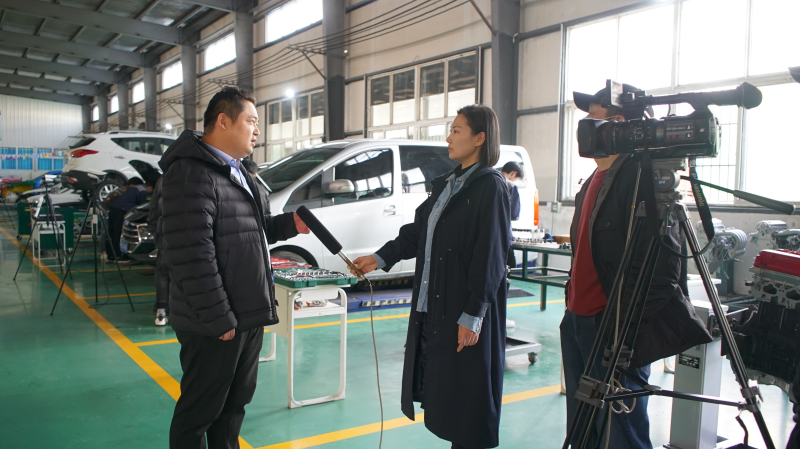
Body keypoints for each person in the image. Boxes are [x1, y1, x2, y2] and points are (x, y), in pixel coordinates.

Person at [561, 84, 713, 448]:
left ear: (617, 124)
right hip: (578, 320)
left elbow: (662, 274)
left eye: (592, 116)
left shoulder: (642, 181)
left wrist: (623, 331)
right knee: (583, 428)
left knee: (622, 432)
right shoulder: (591, 182)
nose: (584, 125)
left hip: (612, 328)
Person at [352, 104, 510, 449]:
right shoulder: (447, 185)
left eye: (456, 131)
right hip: (438, 307)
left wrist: (474, 314)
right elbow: (417, 232)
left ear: (480, 138)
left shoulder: (491, 187)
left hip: (464, 308)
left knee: (469, 400)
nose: (449, 138)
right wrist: (379, 258)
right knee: (448, 395)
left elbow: (491, 256)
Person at [159, 86, 310, 449]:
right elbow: (191, 254)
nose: (257, 131)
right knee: (200, 411)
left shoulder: (236, 171)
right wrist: (218, 316)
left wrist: (289, 224)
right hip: (214, 321)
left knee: (233, 407)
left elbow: (248, 229)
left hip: (245, 313)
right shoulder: (190, 174)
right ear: (223, 121)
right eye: (251, 121)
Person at [105, 177, 151, 263]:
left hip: (113, 209)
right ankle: (119, 256)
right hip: (122, 211)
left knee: (111, 233)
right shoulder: (143, 190)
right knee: (119, 234)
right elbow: (141, 205)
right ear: (150, 187)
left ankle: (110, 256)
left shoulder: (133, 188)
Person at [147, 175, 169, 326]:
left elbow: (154, 208)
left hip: (164, 234)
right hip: (188, 235)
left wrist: (154, 229)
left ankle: (161, 312)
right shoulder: (195, 174)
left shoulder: (163, 179)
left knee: (163, 273)